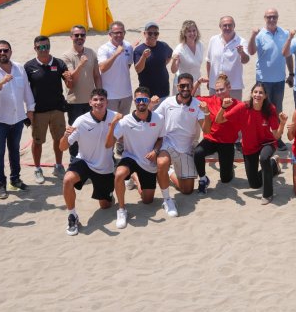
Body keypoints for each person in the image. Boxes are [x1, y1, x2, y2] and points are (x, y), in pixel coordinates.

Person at [59, 88, 117, 236]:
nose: (99, 102)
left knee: (106, 205)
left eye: (102, 99)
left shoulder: (115, 117)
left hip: (105, 167)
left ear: (107, 102)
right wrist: (65, 136)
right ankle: (72, 216)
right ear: (90, 102)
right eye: (95, 100)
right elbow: (62, 147)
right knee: (67, 180)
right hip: (84, 161)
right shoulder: (81, 121)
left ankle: (108, 194)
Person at [0, 40, 34, 200]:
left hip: (17, 118)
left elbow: (26, 90)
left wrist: (30, 109)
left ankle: (15, 179)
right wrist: (1, 83)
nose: (2, 53)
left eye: (5, 50)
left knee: (15, 150)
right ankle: (1, 184)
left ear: (10, 52)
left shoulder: (19, 68)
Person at [220, 83, 287, 205]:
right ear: (251, 94)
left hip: (267, 142)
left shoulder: (270, 108)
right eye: (255, 92)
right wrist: (223, 107)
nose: (258, 95)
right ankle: (273, 165)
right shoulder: (243, 107)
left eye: (261, 92)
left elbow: (276, 136)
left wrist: (282, 123)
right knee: (254, 184)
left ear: (265, 96)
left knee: (264, 158)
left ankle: (268, 194)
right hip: (249, 146)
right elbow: (219, 120)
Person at [155, 73, 211, 213]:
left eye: (188, 85)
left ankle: (169, 172)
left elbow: (206, 130)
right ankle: (167, 200)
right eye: (182, 85)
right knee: (162, 163)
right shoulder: (167, 102)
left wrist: (207, 113)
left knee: (187, 190)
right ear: (177, 86)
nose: (185, 88)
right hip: (168, 144)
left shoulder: (198, 105)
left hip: (186, 149)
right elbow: (154, 119)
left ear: (193, 87)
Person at [112, 87, 167, 229]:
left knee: (147, 200)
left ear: (148, 101)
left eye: (144, 99)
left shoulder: (159, 118)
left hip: (148, 162)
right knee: (119, 174)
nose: (141, 102)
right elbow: (112, 140)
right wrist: (112, 124)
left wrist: (155, 151)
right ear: (134, 101)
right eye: (138, 100)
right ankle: (121, 210)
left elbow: (160, 139)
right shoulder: (125, 121)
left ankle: (134, 177)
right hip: (130, 157)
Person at [24, 35, 71, 183]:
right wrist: (28, 110)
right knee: (37, 142)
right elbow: (24, 89)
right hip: (38, 112)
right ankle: (38, 169)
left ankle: (58, 166)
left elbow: (69, 85)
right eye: (41, 47)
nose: (44, 50)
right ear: (35, 48)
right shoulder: (28, 67)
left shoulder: (59, 63)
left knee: (59, 139)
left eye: (47, 46)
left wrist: (69, 78)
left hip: (57, 109)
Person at [193, 74, 241, 192]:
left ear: (229, 87)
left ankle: (229, 168)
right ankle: (203, 179)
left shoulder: (237, 105)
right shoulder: (211, 100)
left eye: (221, 89)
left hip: (227, 142)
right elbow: (191, 97)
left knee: (225, 179)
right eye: (217, 90)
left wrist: (223, 107)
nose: (219, 93)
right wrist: (198, 82)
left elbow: (221, 119)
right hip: (211, 139)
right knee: (198, 152)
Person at [248, 8, 293, 119]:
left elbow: (288, 55)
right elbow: (251, 52)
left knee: (277, 111)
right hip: (263, 81)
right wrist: (253, 36)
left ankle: (277, 131)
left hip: (279, 80)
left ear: (277, 18)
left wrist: (291, 74)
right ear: (265, 18)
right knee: (262, 110)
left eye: (274, 17)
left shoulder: (285, 33)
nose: (272, 19)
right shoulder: (259, 34)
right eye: (269, 17)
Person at [60, 24, 101, 134]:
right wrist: (81, 65)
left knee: (92, 131)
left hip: (91, 101)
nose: (79, 37)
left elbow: (97, 75)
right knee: (75, 133)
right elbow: (71, 79)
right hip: (74, 103)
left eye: (82, 35)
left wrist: (100, 94)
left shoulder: (91, 52)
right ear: (71, 37)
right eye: (76, 35)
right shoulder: (66, 56)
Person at [206, 15, 249, 100]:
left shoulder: (242, 41)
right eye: (225, 25)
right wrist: (209, 79)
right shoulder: (213, 40)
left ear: (234, 26)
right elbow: (208, 61)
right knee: (214, 108)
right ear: (220, 26)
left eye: (230, 25)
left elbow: (245, 60)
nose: (227, 27)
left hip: (234, 87)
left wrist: (242, 53)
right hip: (215, 87)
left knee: (234, 109)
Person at [97, 21, 134, 115]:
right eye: (116, 33)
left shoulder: (128, 46)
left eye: (121, 32)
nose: (119, 35)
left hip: (126, 94)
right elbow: (102, 68)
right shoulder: (103, 48)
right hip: (110, 95)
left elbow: (128, 65)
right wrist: (116, 54)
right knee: (111, 122)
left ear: (124, 33)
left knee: (124, 121)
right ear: (110, 34)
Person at [134, 21, 174, 99]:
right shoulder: (139, 50)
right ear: (144, 34)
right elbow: (138, 69)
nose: (153, 35)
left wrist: (163, 64)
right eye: (150, 33)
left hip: (164, 91)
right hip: (147, 93)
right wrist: (143, 57)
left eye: (155, 33)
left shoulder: (163, 46)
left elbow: (170, 55)